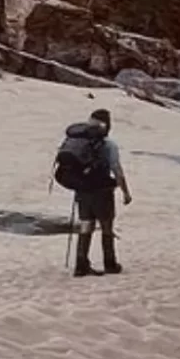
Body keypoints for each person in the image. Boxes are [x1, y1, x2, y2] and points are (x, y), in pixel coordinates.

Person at [67, 105, 131, 277]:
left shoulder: (79, 142)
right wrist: (125, 192)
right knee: (106, 226)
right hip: (102, 190)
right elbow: (116, 169)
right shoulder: (109, 145)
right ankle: (110, 263)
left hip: (82, 189)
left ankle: (81, 265)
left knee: (86, 225)